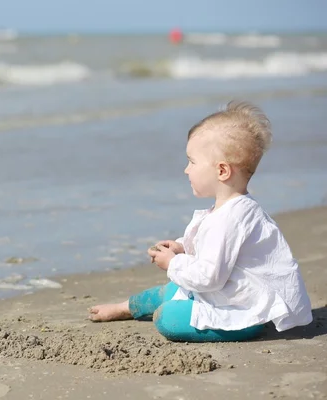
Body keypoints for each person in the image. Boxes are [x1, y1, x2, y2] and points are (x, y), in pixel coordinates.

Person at [88, 101, 313, 342]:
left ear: (222, 171)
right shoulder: (225, 209)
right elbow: (210, 248)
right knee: (173, 290)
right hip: (227, 292)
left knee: (169, 318)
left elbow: (209, 277)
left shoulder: (232, 218)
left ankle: (196, 319)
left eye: (192, 162)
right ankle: (126, 307)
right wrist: (182, 248)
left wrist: (173, 263)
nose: (186, 170)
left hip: (243, 310)